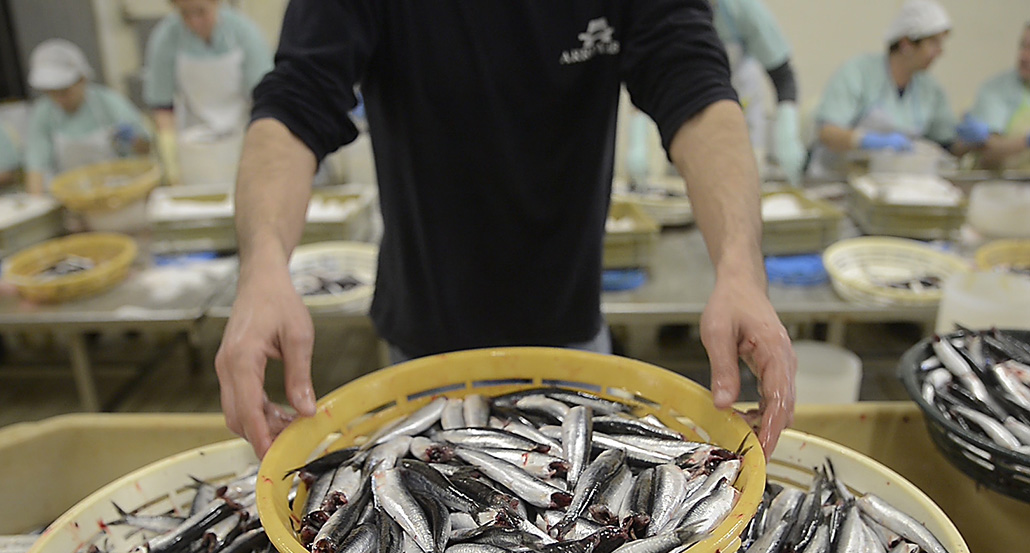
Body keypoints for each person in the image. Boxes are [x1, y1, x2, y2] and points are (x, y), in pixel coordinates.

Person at [215, 1, 797, 460]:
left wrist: (740, 267)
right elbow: (296, 100)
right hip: (420, 347)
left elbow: (694, 86)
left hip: (569, 342)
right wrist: (264, 263)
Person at [808, 0, 973, 178]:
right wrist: (867, 141)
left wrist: (973, 140)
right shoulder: (858, 73)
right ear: (906, 44)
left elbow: (946, 144)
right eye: (933, 43)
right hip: (838, 179)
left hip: (894, 184)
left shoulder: (929, 89)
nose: (940, 52)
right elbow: (828, 133)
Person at [142, 0, 273, 184]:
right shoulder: (166, 37)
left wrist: (262, 149)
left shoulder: (244, 33)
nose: (194, 22)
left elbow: (264, 99)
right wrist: (170, 159)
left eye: (201, 12)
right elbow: (162, 106)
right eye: (185, 14)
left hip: (243, 136)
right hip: (193, 143)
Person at [22, 39, 151, 195]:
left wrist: (133, 139)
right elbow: (36, 167)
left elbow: (145, 149)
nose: (59, 99)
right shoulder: (43, 114)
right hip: (71, 197)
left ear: (82, 79)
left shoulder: (108, 103)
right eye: (52, 93)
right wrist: (36, 205)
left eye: (64, 91)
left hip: (118, 192)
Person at [711, 0, 807, 185]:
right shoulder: (667, 13)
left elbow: (783, 77)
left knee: (743, 182)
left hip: (744, 116)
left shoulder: (741, 9)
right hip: (691, 122)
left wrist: (787, 134)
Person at [955, 24, 1030, 170]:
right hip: (997, 186)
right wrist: (1025, 142)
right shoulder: (997, 89)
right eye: (1023, 46)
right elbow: (988, 152)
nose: (1024, 56)